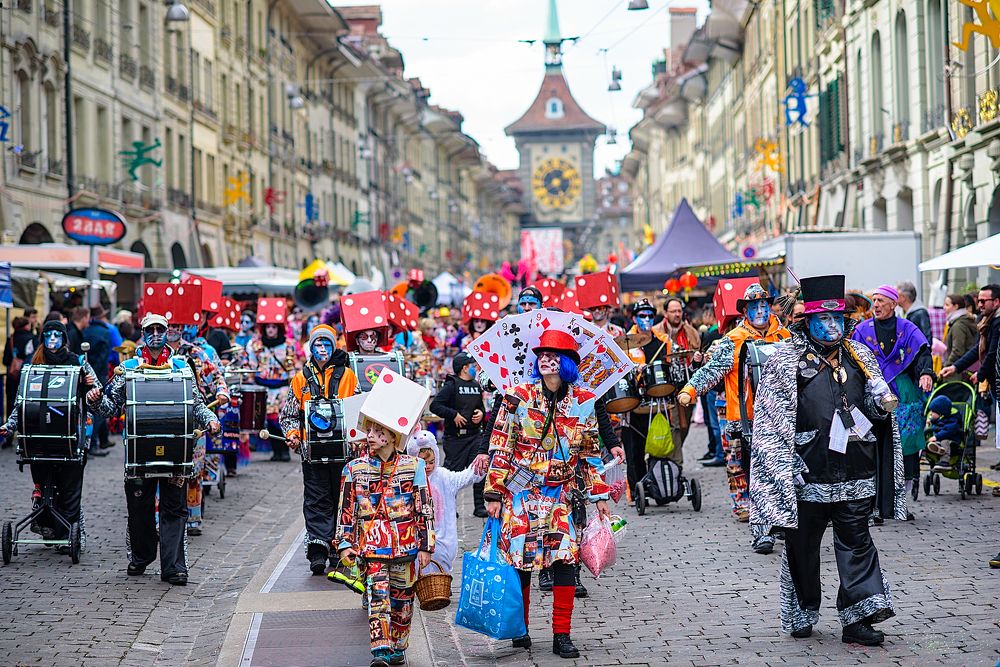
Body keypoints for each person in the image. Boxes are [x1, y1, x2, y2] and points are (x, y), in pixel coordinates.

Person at [750, 274, 905, 646]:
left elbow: (872, 408)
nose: (832, 326)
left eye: (837, 320)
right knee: (802, 547)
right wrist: (786, 468)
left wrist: (878, 408)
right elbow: (769, 422)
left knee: (858, 541)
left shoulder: (860, 355)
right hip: (807, 471)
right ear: (809, 323)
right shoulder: (784, 361)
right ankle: (803, 609)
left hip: (856, 468)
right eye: (824, 320)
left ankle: (858, 617)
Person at [484, 330, 611, 659]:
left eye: (553, 354)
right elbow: (500, 444)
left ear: (567, 362)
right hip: (521, 494)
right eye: (540, 353)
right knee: (520, 563)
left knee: (565, 561)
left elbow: (591, 453)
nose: (545, 358)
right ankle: (520, 628)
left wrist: (600, 497)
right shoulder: (517, 395)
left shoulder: (583, 401)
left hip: (561, 498)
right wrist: (493, 492)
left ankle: (562, 634)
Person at [87, 314, 220, 585]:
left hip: (175, 451)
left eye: (161, 329)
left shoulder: (182, 368)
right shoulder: (129, 369)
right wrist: (95, 399)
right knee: (140, 510)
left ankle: (173, 567)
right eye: (151, 329)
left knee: (174, 508)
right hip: (140, 453)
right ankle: (141, 556)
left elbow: (195, 405)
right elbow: (110, 408)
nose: (157, 334)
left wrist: (210, 419)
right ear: (143, 332)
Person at [678, 283, 790, 552]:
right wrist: (690, 389)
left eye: (764, 305)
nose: (760, 310)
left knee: (777, 472)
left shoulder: (784, 337)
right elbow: (712, 371)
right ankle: (760, 528)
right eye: (754, 306)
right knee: (744, 469)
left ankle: (780, 520)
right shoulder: (734, 339)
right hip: (742, 418)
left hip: (778, 419)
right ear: (745, 311)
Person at [336, 421, 434, 667]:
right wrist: (345, 543)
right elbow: (346, 510)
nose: (370, 436)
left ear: (393, 436)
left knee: (403, 603)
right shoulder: (353, 469)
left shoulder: (415, 466)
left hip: (406, 545)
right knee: (378, 599)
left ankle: (399, 646)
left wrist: (426, 544)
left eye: (378, 431)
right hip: (372, 548)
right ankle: (380, 651)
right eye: (369, 431)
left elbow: (424, 508)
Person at [1, 320, 99, 545]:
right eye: (48, 335)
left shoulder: (78, 362)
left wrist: (89, 386)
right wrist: (10, 425)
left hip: (71, 437)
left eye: (57, 335)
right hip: (38, 436)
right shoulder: (32, 364)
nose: (52, 339)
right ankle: (48, 526)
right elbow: (21, 403)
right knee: (45, 484)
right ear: (42, 338)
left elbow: (96, 397)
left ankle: (68, 534)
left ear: (64, 338)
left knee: (69, 489)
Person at [279, 324, 359, 575]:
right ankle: (318, 550)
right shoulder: (300, 378)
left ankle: (339, 548)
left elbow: (357, 410)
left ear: (333, 347)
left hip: (343, 453)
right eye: (317, 344)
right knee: (316, 500)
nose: (322, 348)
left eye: (326, 344)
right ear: (311, 348)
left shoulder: (348, 376)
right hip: (312, 453)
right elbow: (289, 415)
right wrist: (292, 435)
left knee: (341, 498)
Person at [852, 285, 933, 508]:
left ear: (893, 304)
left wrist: (926, 373)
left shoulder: (908, 329)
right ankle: (874, 501)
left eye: (880, 300)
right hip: (872, 393)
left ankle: (900, 501)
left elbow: (922, 354)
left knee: (904, 444)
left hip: (903, 393)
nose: (875, 305)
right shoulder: (862, 330)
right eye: (874, 300)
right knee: (873, 443)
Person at [165, 321, 230, 535]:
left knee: (194, 470)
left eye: (176, 325)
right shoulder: (149, 353)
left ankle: (193, 518)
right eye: (168, 326)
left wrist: (221, 392)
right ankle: (161, 518)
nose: (172, 330)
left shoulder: (197, 353)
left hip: (194, 419)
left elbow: (217, 378)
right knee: (162, 469)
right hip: (163, 419)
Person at [406, 430, 484, 575]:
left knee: (441, 564)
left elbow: (464, 478)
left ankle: (442, 583)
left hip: (443, 537)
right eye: (423, 462)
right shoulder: (409, 478)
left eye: (431, 462)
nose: (428, 467)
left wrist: (479, 467)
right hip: (418, 535)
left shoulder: (443, 476)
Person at [429, 351, 487, 517]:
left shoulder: (476, 386)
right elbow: (436, 406)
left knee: (479, 470)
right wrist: (453, 415)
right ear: (464, 368)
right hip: (455, 438)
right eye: (472, 366)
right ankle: (448, 507)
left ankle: (479, 506)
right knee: (452, 473)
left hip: (474, 435)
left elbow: (480, 407)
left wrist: (481, 414)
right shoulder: (451, 385)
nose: (475, 369)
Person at [246, 300, 303, 461]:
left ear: (278, 328)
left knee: (282, 419)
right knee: (269, 421)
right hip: (264, 387)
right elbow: (251, 365)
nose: (270, 330)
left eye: (273, 327)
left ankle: (284, 450)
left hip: (283, 388)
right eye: (268, 327)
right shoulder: (256, 345)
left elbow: (297, 365)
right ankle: (276, 450)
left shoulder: (289, 345)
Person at [941, 285, 1000, 397]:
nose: (979, 305)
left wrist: (980, 374)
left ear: (996, 301)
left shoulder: (997, 322)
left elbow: (992, 353)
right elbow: (978, 348)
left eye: (983, 301)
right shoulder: (988, 320)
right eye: (978, 301)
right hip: (993, 380)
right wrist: (955, 367)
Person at [83, 306, 117, 452]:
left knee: (87, 406)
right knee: (99, 408)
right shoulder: (106, 332)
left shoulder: (86, 331)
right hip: (100, 373)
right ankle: (93, 444)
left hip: (86, 374)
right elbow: (109, 354)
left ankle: (98, 440)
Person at [695, 305, 724, 466]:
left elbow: (703, 363)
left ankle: (719, 453)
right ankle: (718, 451)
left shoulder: (710, 334)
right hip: (720, 385)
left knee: (715, 422)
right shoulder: (720, 333)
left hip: (713, 385)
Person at [3, 316, 35, 448]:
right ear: (26, 326)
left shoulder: (10, 339)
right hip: (27, 377)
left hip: (12, 377)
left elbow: (5, 360)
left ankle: (8, 437)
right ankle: (25, 437)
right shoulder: (31, 339)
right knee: (27, 405)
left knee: (12, 405)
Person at [925, 395, 963, 472]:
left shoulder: (952, 420)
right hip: (940, 439)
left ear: (940, 413)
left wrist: (937, 437)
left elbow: (948, 431)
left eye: (933, 411)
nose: (931, 413)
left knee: (944, 442)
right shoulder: (940, 418)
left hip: (952, 440)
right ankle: (937, 448)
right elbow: (937, 422)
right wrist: (931, 421)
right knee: (933, 441)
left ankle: (944, 462)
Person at [942, 292, 977, 369]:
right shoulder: (959, 321)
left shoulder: (958, 325)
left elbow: (957, 351)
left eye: (947, 305)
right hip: (963, 367)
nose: (944, 307)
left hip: (958, 371)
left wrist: (946, 366)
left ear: (956, 306)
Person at [896, 281, 933, 345]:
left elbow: (927, 337)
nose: (895, 297)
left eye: (897, 295)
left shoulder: (921, 313)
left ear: (903, 297)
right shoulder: (899, 313)